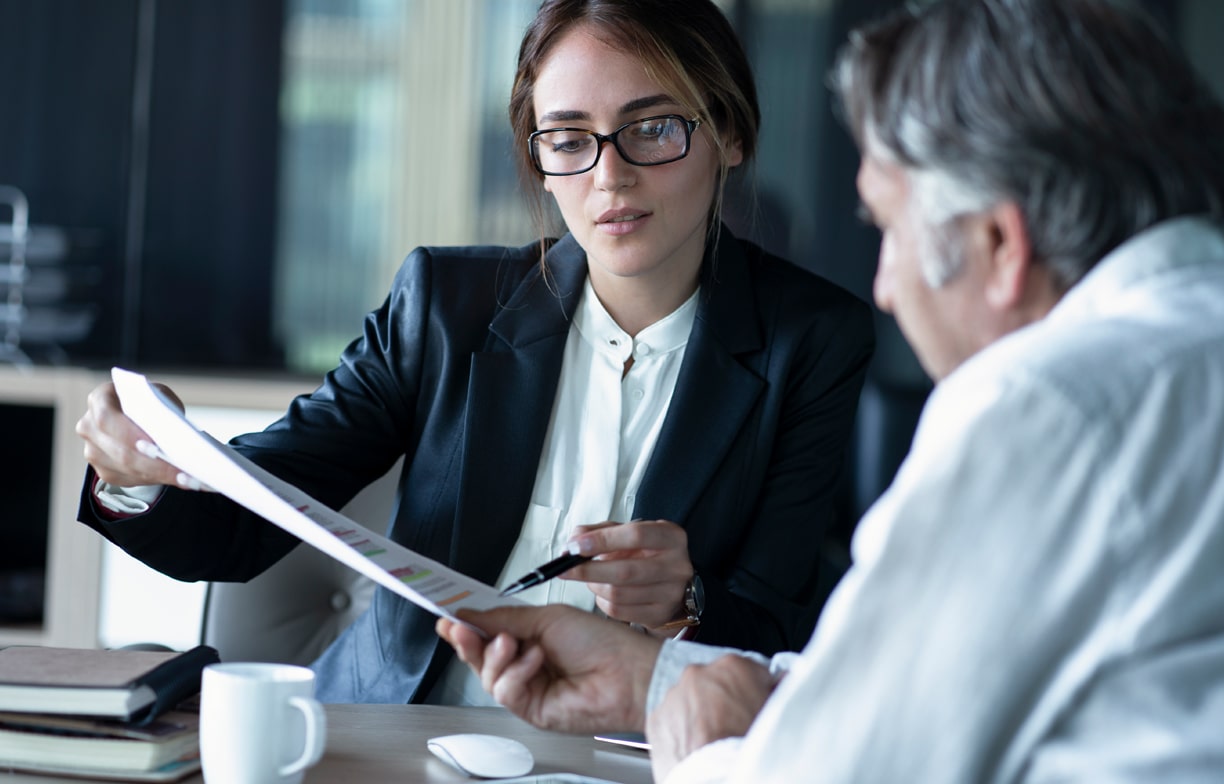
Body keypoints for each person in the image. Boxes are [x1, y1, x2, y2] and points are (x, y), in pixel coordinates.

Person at [438, 0, 1224, 780]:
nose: (883, 284)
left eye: (890, 227)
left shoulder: (1048, 409)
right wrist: (658, 682)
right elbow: (936, 684)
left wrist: (697, 744)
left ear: (1000, 247)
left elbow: (844, 768)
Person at [74, 0, 874, 706]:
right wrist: (135, 472)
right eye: (568, 139)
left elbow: (784, 632)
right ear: (539, 159)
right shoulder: (444, 306)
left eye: (653, 129)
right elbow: (241, 526)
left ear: (728, 134)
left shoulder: (812, 340)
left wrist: (687, 601)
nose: (611, 177)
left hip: (634, 755)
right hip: (397, 737)